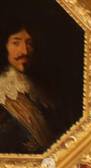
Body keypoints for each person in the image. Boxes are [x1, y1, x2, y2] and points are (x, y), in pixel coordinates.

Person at [0, 19, 58, 154]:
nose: (25, 51)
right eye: (16, 43)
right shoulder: (4, 90)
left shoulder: (38, 90)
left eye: (29, 43)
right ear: (4, 46)